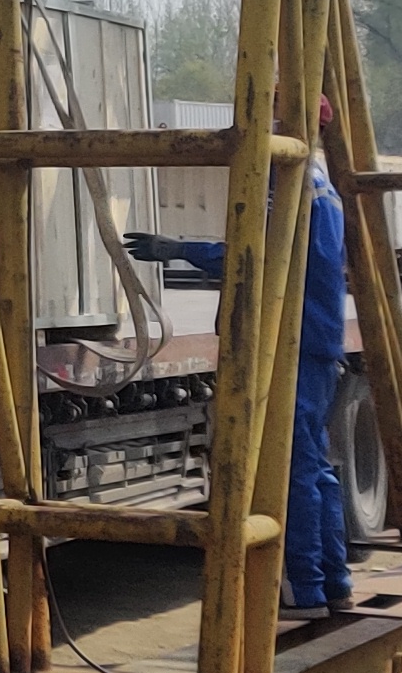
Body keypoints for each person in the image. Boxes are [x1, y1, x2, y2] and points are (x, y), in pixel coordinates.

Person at [132, 108, 355, 619]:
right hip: (312, 339)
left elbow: (260, 254)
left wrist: (183, 249)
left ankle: (304, 589)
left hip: (292, 341)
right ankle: (334, 582)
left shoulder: (294, 183)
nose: (264, 126)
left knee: (292, 468)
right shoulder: (317, 183)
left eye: (272, 116)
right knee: (315, 467)